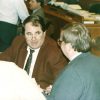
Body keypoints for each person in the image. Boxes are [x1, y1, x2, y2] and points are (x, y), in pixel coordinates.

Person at [0, 15, 67, 91]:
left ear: (44, 33)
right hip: (15, 89)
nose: (33, 38)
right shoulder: (18, 42)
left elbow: (64, 81)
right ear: (24, 34)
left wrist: (50, 89)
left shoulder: (54, 52)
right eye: (29, 34)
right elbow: (2, 60)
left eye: (37, 33)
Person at [47, 23, 100, 100]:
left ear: (68, 47)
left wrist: (36, 92)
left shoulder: (72, 72)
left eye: (60, 41)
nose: (59, 45)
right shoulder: (97, 60)